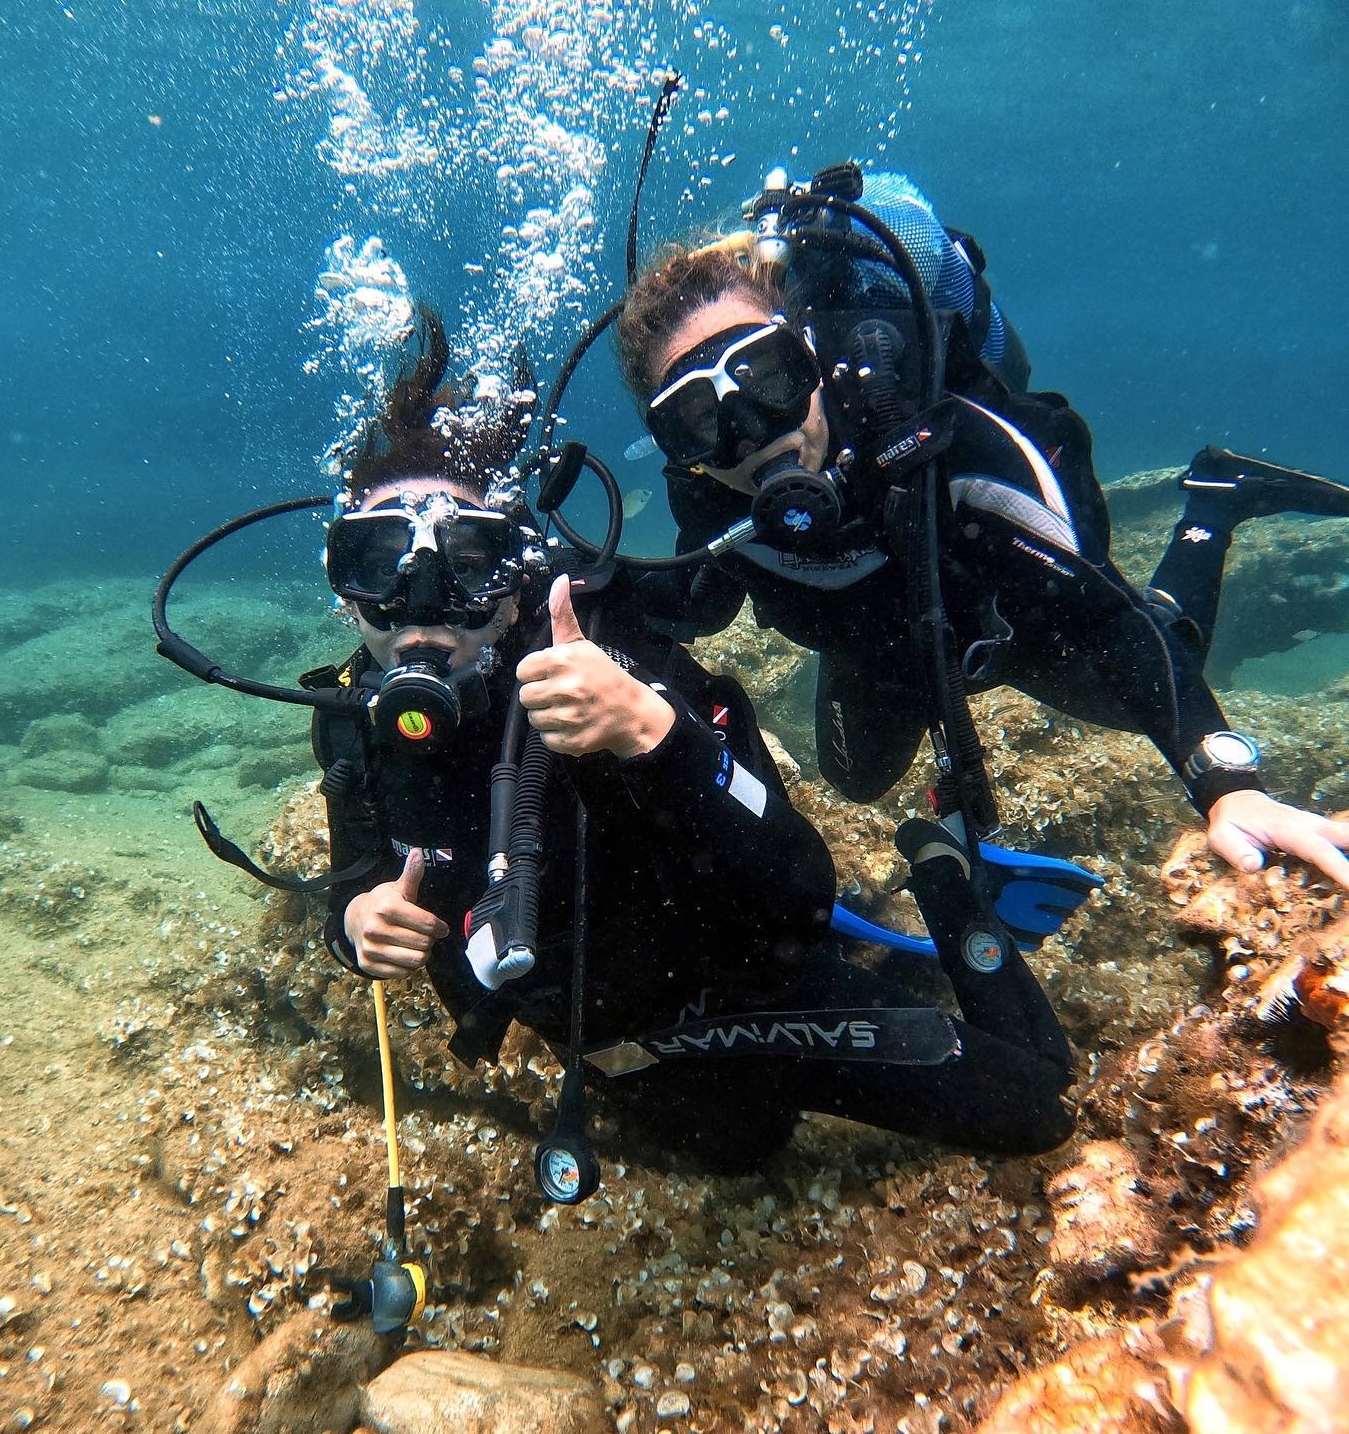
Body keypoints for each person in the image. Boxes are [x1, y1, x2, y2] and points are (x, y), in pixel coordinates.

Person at [306, 310, 1077, 1168]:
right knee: (735, 1152)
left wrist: (649, 729)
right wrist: (357, 924)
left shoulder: (612, 661)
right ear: (345, 591)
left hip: (751, 983)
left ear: (516, 574)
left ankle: (941, 877)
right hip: (606, 1039)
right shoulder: (352, 722)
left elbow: (799, 892)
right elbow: (359, 888)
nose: (419, 602)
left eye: (469, 561)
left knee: (1036, 1105)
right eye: (375, 561)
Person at [615, 166, 1349, 890]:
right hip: (877, 654)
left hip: (1011, 623)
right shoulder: (715, 504)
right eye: (700, 419)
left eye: (766, 375)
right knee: (855, 779)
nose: (752, 432)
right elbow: (694, 604)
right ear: (682, 452)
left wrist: (1227, 783)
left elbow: (1107, 619)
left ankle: (1215, 499)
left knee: (1166, 655)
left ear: (808, 355)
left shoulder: (948, 449)